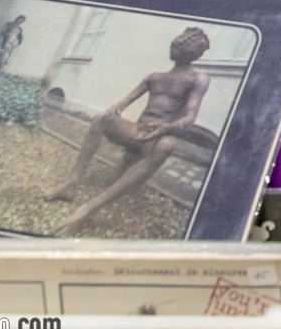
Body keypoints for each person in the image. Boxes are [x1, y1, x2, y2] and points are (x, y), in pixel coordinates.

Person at [45, 27, 211, 234]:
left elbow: (189, 118)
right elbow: (126, 100)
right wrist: (118, 105)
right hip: (137, 131)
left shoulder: (198, 78)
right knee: (101, 120)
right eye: (176, 44)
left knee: (168, 144)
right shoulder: (154, 77)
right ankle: (71, 183)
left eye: (181, 46)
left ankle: (87, 210)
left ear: (194, 52)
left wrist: (165, 128)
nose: (175, 48)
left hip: (157, 139)